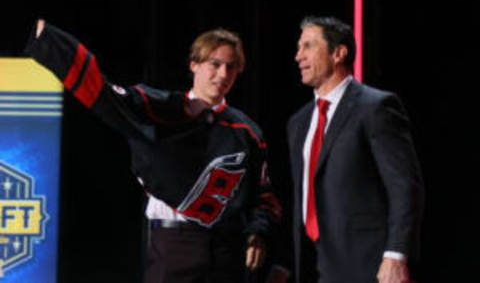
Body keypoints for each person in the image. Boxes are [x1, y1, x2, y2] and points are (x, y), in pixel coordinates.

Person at [26, 20, 281, 283]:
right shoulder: (160, 107)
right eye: (215, 64)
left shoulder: (247, 131)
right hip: (172, 246)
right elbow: (104, 95)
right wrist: (51, 43)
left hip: (227, 250)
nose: (223, 74)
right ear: (194, 65)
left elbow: (263, 195)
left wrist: (258, 233)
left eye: (231, 67)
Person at [277, 16, 424, 283]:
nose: (298, 56)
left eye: (308, 46)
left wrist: (396, 255)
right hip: (313, 264)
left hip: (367, 264)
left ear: (338, 53)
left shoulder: (376, 107)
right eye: (299, 48)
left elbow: (404, 187)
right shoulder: (298, 122)